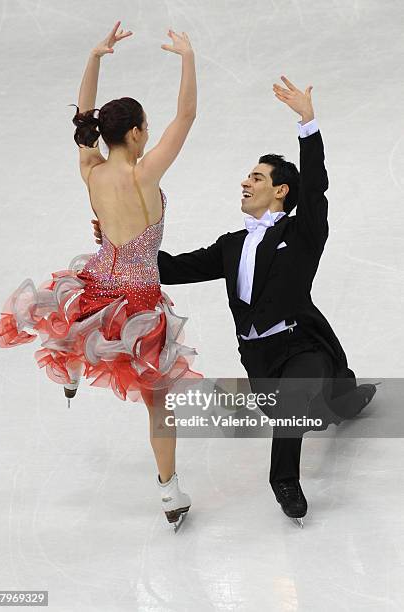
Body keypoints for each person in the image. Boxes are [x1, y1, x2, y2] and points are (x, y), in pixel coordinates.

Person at [93, 75, 377, 526]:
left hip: (301, 344)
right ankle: (342, 401)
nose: (245, 182)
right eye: (248, 174)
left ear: (281, 191)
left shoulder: (301, 234)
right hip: (258, 357)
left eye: (257, 177)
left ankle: (285, 480)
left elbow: (317, 188)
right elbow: (169, 267)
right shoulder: (230, 246)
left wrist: (307, 122)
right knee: (310, 405)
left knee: (296, 398)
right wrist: (118, 242)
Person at [0, 21, 200, 530]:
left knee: (78, 324)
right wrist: (188, 57)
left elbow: (82, 123)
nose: (150, 133)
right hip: (140, 301)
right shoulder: (141, 174)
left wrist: (94, 57)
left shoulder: (91, 168)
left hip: (98, 287)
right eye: (146, 127)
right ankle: (170, 493)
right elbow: (188, 115)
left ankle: (67, 366)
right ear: (135, 133)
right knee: (158, 398)